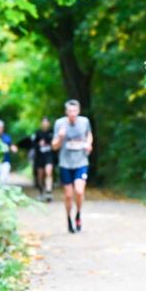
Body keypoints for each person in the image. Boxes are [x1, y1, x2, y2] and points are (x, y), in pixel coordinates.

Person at [53, 100, 93, 233]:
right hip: (65, 163)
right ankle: (69, 218)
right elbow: (54, 146)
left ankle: (78, 214)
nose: (72, 114)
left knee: (79, 191)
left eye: (75, 111)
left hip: (81, 162)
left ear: (79, 111)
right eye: (70, 111)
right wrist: (60, 137)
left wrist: (88, 144)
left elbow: (89, 135)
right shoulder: (59, 123)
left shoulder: (84, 122)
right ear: (66, 112)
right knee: (69, 195)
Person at [18, 118, 56, 201]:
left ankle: (49, 192)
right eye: (43, 122)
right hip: (39, 157)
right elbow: (30, 143)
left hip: (49, 156)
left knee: (48, 172)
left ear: (49, 124)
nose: (45, 124)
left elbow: (56, 144)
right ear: (41, 124)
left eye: (46, 122)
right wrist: (38, 144)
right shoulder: (37, 133)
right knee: (40, 175)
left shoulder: (52, 133)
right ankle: (42, 191)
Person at [0, 119, 17, 185]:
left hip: (4, 162)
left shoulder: (7, 137)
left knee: (2, 181)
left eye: (0, 127)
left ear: (3, 128)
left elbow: (11, 145)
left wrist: (13, 148)